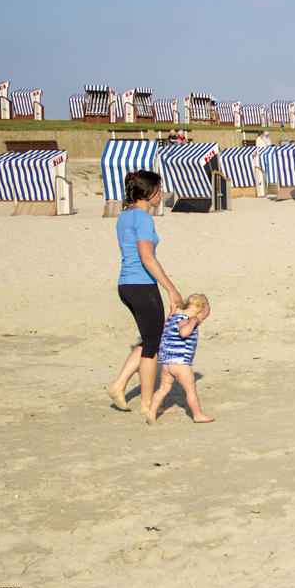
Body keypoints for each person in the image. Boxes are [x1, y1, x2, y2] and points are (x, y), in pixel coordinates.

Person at [107, 171, 182, 413]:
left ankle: (119, 386)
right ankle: (147, 403)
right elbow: (147, 258)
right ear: (148, 192)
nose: (162, 194)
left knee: (150, 339)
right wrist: (171, 289)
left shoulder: (124, 216)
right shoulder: (143, 219)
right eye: (159, 190)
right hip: (141, 285)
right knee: (153, 347)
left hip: (126, 285)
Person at [145, 293, 214, 425]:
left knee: (164, 388)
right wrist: (193, 321)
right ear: (198, 311)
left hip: (166, 363)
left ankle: (151, 412)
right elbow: (183, 332)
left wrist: (171, 312)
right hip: (180, 363)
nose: (200, 322)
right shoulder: (187, 320)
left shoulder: (173, 318)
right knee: (190, 389)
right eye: (202, 318)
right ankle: (197, 415)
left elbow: (166, 326)